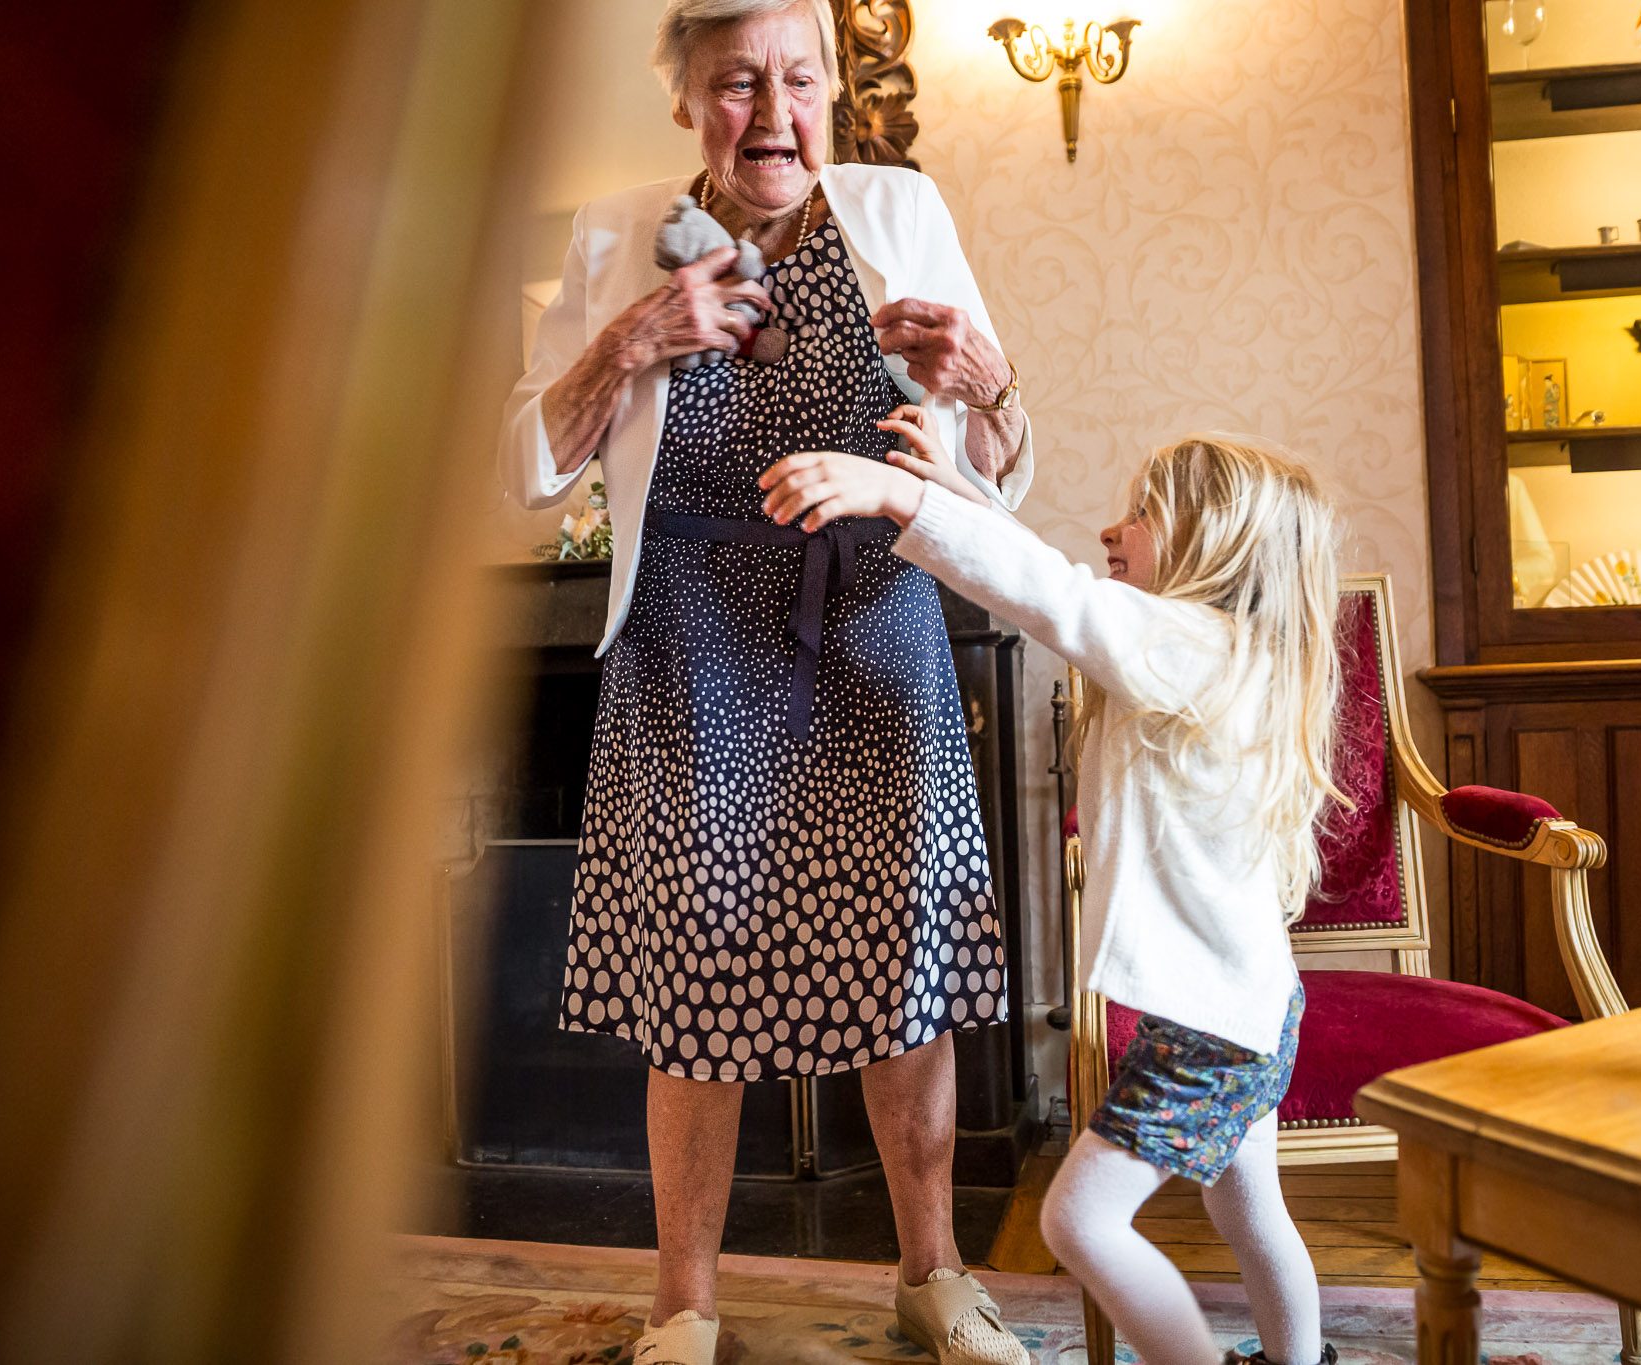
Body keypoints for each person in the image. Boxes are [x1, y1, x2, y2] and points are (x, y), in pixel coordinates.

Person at [493, 2, 1035, 1362]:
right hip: (687, 637)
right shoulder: (622, 233)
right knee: (697, 988)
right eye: (740, 84)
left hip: (873, 622)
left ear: (835, 91)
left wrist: (999, 386)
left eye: (803, 79)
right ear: (686, 100)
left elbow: (993, 463)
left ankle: (933, 1275)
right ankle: (686, 1304)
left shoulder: (899, 208)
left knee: (905, 975)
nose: (779, 112)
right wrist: (631, 340)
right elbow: (524, 466)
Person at [760, 424, 1344, 1365]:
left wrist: (909, 499)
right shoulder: (1223, 653)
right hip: (1250, 1006)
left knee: (1077, 1220)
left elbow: (1054, 596)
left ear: (1213, 542)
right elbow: (1053, 579)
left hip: (1210, 1026)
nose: (1113, 528)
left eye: (1144, 514)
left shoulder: (1184, 647)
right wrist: (957, 492)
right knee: (1250, 1203)